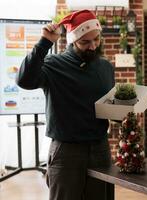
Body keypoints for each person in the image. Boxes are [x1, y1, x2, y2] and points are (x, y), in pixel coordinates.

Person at [16, 10, 115, 200]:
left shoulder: (105, 67)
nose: (93, 46)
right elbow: (24, 80)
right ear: (72, 40)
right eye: (85, 42)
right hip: (67, 151)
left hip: (100, 148)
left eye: (96, 39)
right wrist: (45, 42)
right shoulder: (53, 64)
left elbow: (107, 103)